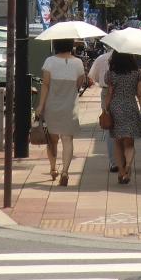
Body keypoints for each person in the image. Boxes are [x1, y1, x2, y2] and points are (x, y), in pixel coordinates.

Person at [36, 39, 88, 186]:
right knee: (67, 139)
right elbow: (80, 83)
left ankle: (53, 168)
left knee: (52, 140)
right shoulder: (78, 63)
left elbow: (45, 85)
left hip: (52, 105)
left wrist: (41, 105)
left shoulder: (50, 61)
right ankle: (65, 171)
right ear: (70, 45)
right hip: (70, 105)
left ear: (56, 45)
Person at [102, 52, 141, 184]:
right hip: (131, 107)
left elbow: (110, 93)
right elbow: (139, 93)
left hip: (115, 108)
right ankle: (128, 166)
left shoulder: (111, 74)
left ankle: (121, 171)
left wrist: (106, 108)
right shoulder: (137, 73)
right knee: (129, 143)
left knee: (118, 142)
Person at [88, 47, 119, 173]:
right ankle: (125, 160)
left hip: (106, 92)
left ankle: (113, 162)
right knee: (124, 126)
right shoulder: (129, 59)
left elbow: (93, 77)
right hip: (124, 94)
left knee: (110, 127)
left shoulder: (102, 58)